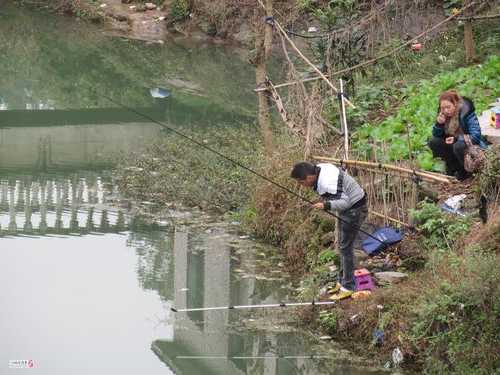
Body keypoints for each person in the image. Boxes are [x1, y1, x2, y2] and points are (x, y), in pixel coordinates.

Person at [291, 161, 367, 300]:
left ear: (309, 177)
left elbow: (346, 202)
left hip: (355, 209)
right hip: (349, 208)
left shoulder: (327, 183)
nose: (301, 186)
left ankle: (348, 287)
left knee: (346, 248)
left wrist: (326, 205)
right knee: (343, 246)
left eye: (301, 182)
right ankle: (342, 281)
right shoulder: (319, 168)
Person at [428, 90, 487, 180]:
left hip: (470, 146)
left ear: (455, 104)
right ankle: (454, 168)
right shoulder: (443, 115)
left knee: (458, 146)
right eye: (443, 108)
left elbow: (476, 136)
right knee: (433, 142)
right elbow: (436, 135)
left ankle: (467, 171)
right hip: (453, 143)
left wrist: (456, 138)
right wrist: (439, 124)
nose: (446, 111)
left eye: (448, 107)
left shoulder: (466, 113)